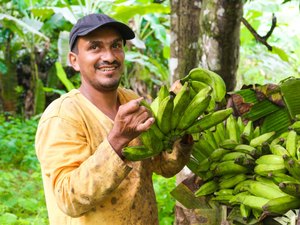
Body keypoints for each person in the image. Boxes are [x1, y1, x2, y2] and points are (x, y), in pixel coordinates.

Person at [35, 13, 193, 225]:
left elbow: (161, 166)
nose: (109, 56)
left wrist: (181, 139)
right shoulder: (63, 116)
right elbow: (67, 198)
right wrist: (117, 140)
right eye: (95, 47)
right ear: (74, 61)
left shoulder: (134, 101)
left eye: (116, 46)